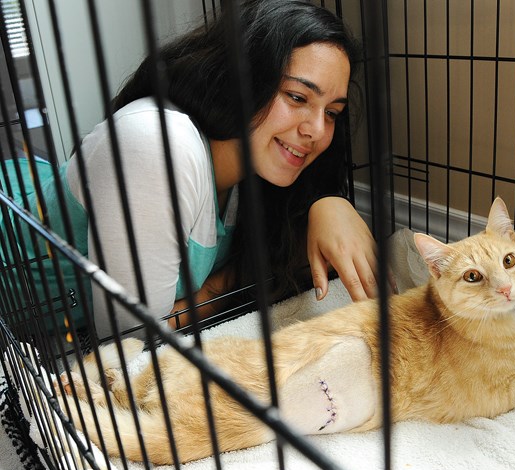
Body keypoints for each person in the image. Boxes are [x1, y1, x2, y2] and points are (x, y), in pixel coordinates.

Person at [1, 0, 379, 340]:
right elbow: (129, 340)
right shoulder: (157, 145)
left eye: (332, 113)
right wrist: (232, 280)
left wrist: (330, 204)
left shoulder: (259, 169)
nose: (316, 130)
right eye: (297, 97)